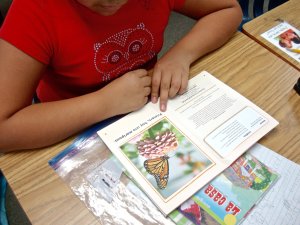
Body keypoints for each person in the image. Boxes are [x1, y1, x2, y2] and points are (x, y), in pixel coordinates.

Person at [0, 0, 242, 152]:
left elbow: (228, 9)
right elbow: (4, 128)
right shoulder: (35, 9)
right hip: (66, 125)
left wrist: (180, 55)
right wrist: (104, 103)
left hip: (145, 109)